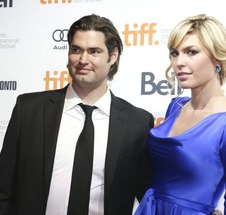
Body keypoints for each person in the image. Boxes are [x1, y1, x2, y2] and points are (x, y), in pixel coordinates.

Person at [0, 14, 154, 215]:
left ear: (113, 56)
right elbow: (4, 188)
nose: (83, 60)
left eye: (94, 51)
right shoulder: (29, 109)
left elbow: (148, 194)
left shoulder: (138, 123)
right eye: (76, 50)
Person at [134, 14, 226, 215]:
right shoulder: (175, 106)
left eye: (191, 52)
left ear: (217, 58)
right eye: (175, 53)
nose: (178, 62)